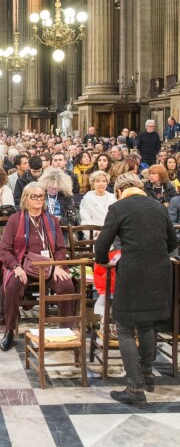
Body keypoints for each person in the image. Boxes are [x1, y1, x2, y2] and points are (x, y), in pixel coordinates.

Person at [95, 173, 176, 407]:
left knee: (125, 326)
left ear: (120, 190)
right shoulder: (158, 206)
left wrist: (102, 260)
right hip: (160, 271)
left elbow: (103, 243)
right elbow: (172, 242)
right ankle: (148, 375)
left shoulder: (119, 207)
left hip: (133, 272)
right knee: (147, 323)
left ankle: (134, 388)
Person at [0, 182, 75, 351]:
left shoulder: (52, 220)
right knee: (12, 286)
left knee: (67, 285)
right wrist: (15, 267)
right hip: (23, 265)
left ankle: (66, 330)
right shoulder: (15, 220)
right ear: (26, 199)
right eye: (34, 196)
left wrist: (59, 266)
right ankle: (10, 330)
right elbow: (5, 250)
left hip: (49, 267)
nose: (39, 199)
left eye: (41, 196)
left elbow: (61, 248)